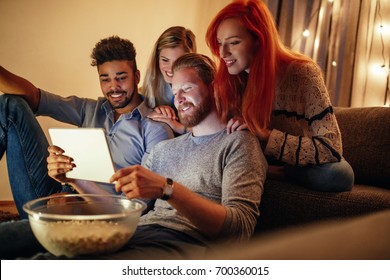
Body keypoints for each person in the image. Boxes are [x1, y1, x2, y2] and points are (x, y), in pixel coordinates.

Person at [0, 53, 268, 260]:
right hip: (130, 231)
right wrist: (74, 178)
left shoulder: (238, 143)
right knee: (9, 238)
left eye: (187, 88)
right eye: (174, 91)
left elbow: (239, 230)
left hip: (173, 246)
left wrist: (167, 189)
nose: (179, 98)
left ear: (214, 87)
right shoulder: (164, 150)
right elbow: (120, 210)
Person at [0, 36, 173, 219]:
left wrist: (77, 198)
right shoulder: (90, 109)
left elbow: (133, 209)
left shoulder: (155, 128)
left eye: (121, 78)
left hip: (101, 215)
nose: (113, 87)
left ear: (136, 76)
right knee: (10, 105)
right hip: (59, 195)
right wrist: (64, 181)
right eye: (105, 79)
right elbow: (35, 97)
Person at [205, 0, 354, 192]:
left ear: (259, 40)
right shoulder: (229, 80)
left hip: (298, 162)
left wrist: (265, 135)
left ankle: (269, 171)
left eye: (234, 42)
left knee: (340, 174)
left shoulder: (303, 74)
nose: (223, 53)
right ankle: (263, 169)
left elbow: (332, 148)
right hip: (251, 157)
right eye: (219, 43)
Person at [142, 26, 196, 134]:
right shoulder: (150, 88)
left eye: (178, 61)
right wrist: (157, 111)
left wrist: (177, 126)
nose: (171, 68)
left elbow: (209, 132)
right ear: (157, 59)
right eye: (165, 60)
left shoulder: (202, 87)